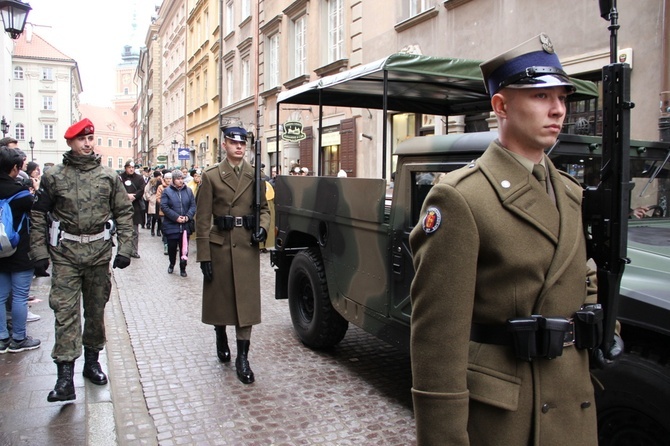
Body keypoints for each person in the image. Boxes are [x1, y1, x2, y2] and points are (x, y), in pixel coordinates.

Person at [409, 34, 622, 445]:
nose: (558, 109)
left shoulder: (570, 192)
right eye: (541, 96)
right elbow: (438, 339)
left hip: (571, 402)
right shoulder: (462, 197)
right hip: (510, 417)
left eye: (562, 97)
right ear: (501, 106)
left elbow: (584, 275)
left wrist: (602, 319)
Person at [29, 118, 133, 403]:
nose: (88, 144)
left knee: (96, 311)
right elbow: (38, 216)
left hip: (98, 255)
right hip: (65, 255)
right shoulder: (54, 177)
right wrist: (38, 253)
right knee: (64, 313)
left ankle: (91, 362)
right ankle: (64, 378)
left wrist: (125, 248)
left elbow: (124, 213)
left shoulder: (108, 176)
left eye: (91, 138)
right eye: (81, 139)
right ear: (70, 143)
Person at [196, 125, 270, 384]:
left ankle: (243, 358)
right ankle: (220, 332)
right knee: (222, 300)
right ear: (225, 145)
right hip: (220, 245)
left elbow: (264, 210)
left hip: (246, 245)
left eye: (242, 143)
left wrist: (262, 228)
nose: (239, 147)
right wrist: (203, 255)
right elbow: (203, 217)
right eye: (233, 142)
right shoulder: (212, 176)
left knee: (245, 304)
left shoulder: (255, 175)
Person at [0, 147, 41, 354]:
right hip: (19, 250)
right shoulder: (21, 194)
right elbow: (37, 213)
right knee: (19, 296)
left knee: (0, 297)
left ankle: (1, 338)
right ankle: (18, 338)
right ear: (14, 168)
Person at [160, 169, 196, 277]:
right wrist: (176, 217)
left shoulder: (188, 191)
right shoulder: (167, 191)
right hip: (172, 225)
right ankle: (172, 263)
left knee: (184, 248)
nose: (180, 181)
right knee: (172, 247)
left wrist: (187, 217)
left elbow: (193, 206)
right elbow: (164, 207)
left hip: (185, 226)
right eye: (178, 179)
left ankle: (183, 267)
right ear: (173, 180)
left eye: (182, 179)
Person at [119, 160, 145, 258]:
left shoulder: (139, 178)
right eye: (129, 167)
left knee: (134, 231)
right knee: (123, 230)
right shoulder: (120, 177)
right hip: (123, 206)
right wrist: (126, 196)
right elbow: (117, 189)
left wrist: (134, 196)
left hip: (136, 206)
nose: (131, 169)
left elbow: (142, 189)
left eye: (133, 167)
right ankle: (123, 250)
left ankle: (134, 250)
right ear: (125, 168)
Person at [156, 171, 172, 254]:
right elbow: (158, 197)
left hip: (173, 211)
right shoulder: (161, 187)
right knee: (165, 228)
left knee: (172, 228)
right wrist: (164, 204)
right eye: (167, 178)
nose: (169, 180)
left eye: (170, 178)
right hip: (163, 211)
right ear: (164, 179)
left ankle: (172, 244)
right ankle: (166, 244)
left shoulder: (174, 187)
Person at [144, 170, 162, 236]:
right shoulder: (151, 181)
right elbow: (146, 190)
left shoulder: (161, 181)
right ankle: (152, 229)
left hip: (159, 199)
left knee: (160, 216)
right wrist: (149, 198)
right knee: (154, 216)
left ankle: (158, 230)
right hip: (153, 199)